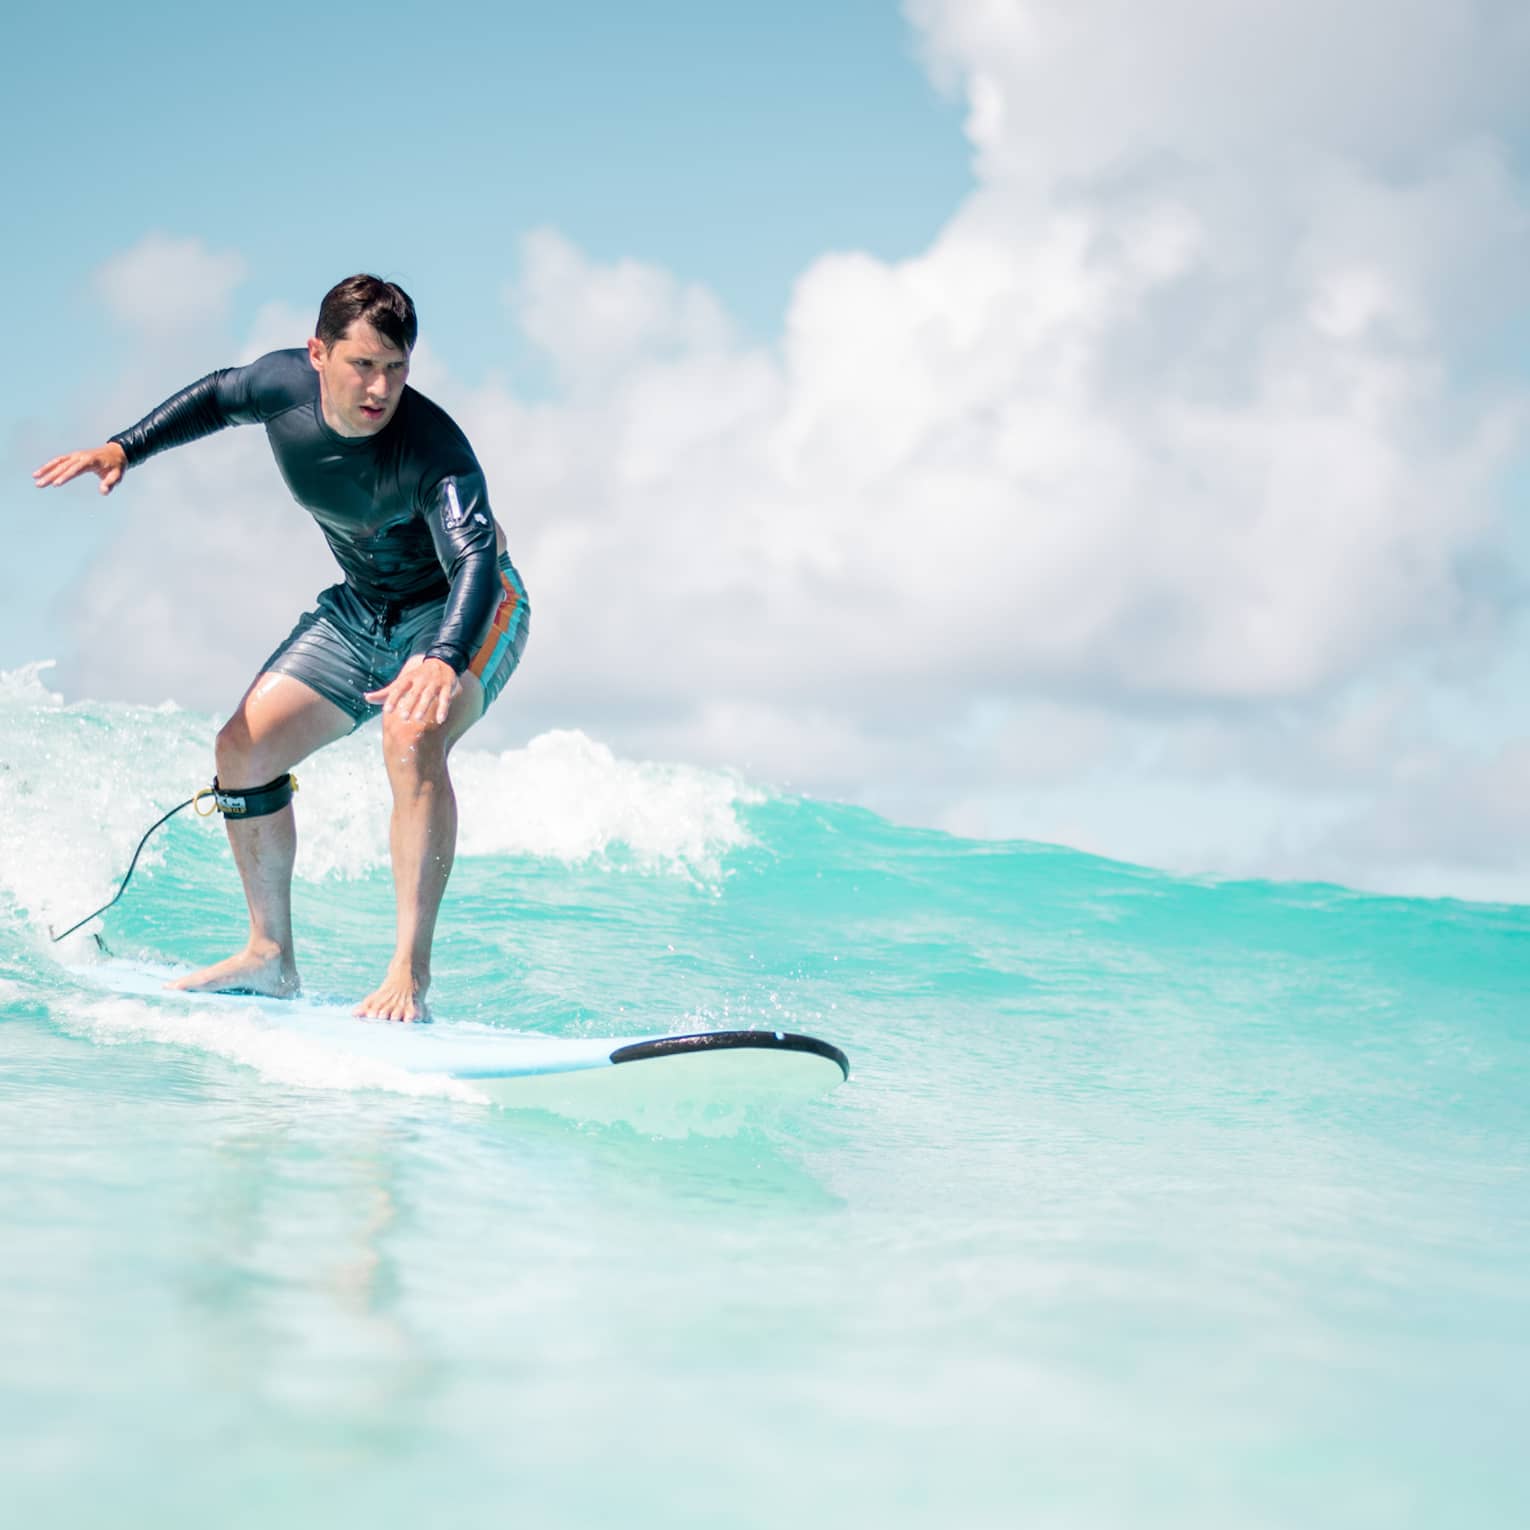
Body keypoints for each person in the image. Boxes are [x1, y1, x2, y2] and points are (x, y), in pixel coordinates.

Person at [32, 274, 529, 1022]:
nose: (380, 387)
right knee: (242, 752)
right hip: (363, 609)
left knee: (411, 733)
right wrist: (124, 447)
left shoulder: (435, 452)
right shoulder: (282, 385)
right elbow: (214, 397)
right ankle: (269, 957)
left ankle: (409, 975)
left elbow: (475, 561)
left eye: (396, 369)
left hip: (466, 611)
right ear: (318, 353)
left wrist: (444, 655)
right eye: (363, 364)